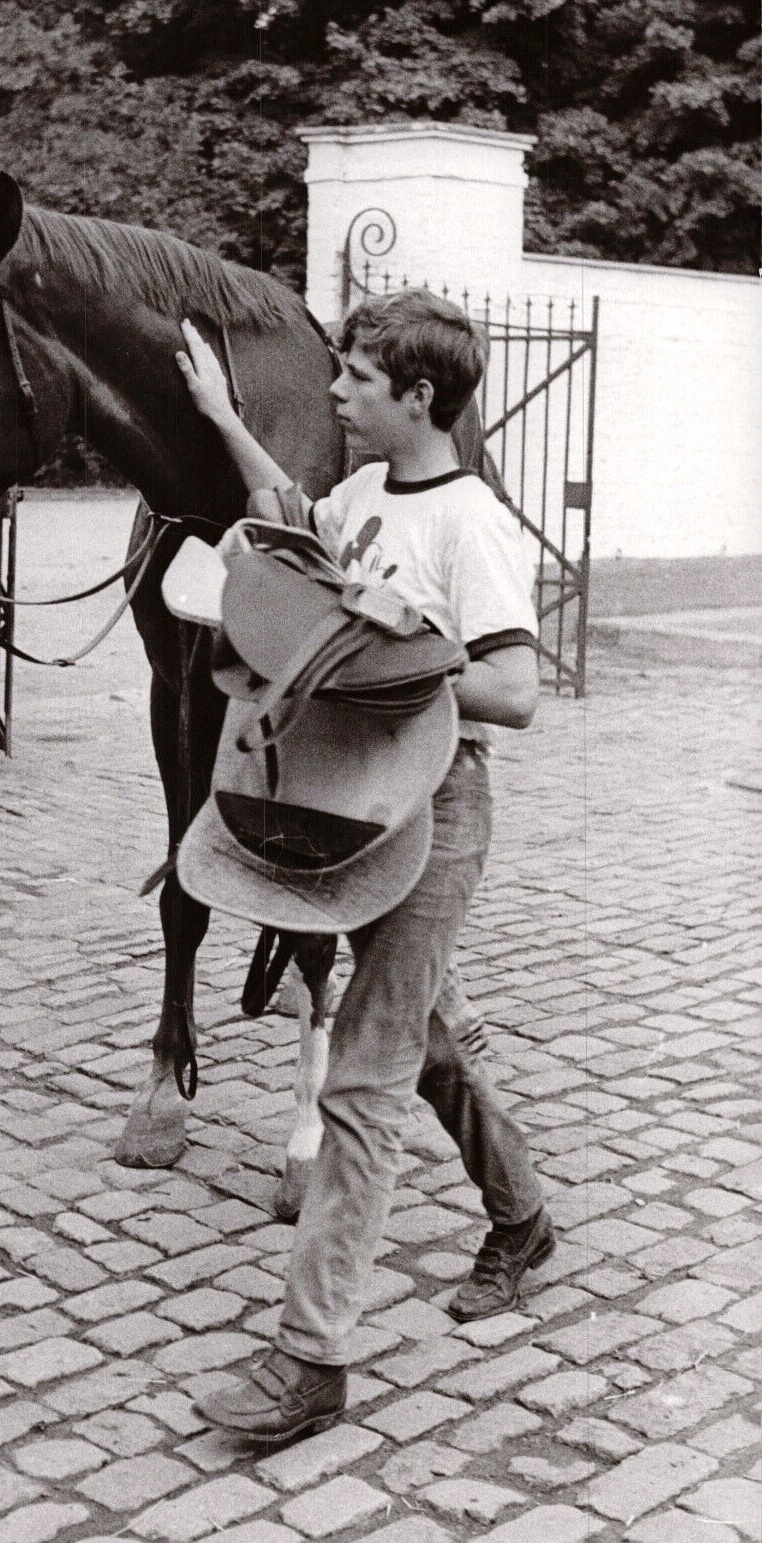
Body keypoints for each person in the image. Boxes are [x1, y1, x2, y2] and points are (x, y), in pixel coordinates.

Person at [174, 290, 555, 1440]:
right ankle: (524, 1217)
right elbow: (294, 521)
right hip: (355, 798)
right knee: (427, 1029)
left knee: (366, 1080)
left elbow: (517, 689)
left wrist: (386, 660)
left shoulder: (468, 524)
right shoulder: (363, 492)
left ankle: (313, 1359)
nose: (334, 392)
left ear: (418, 397)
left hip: (437, 805)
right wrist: (219, 415)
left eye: (354, 379)